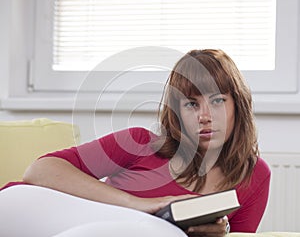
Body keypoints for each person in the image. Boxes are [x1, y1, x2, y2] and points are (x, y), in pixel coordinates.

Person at [8, 49, 271, 236]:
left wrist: (221, 231)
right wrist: (141, 206)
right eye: (192, 104)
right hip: (26, 208)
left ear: (238, 104)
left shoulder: (255, 175)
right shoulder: (140, 142)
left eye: (217, 100)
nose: (204, 116)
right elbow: (39, 171)